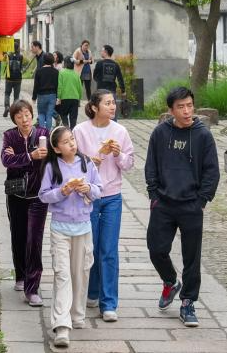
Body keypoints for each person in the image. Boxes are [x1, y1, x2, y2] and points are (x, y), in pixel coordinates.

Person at [144, 87, 219, 327]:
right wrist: (154, 195)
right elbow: (150, 165)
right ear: (171, 110)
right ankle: (170, 281)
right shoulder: (160, 133)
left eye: (189, 105)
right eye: (181, 107)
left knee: (191, 257)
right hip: (163, 203)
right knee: (156, 249)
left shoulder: (203, 135)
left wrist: (202, 200)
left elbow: (212, 171)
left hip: (191, 205)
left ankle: (188, 302)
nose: (187, 111)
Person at [39, 126, 103, 349]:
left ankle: (76, 314)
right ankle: (61, 325)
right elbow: (43, 195)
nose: (71, 144)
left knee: (81, 274)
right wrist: (62, 192)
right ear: (57, 148)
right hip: (60, 228)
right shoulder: (51, 166)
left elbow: (99, 190)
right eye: (66, 142)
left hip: (83, 228)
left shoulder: (87, 163)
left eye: (72, 139)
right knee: (63, 275)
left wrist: (87, 188)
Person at [73, 89, 134, 322]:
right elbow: (71, 162)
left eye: (113, 102)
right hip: (88, 196)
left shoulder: (120, 132)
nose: (113, 106)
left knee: (108, 250)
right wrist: (90, 162)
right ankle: (92, 291)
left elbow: (129, 164)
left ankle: (109, 303)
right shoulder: (80, 131)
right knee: (91, 248)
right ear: (94, 107)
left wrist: (118, 155)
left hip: (112, 196)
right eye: (107, 103)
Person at [0, 100, 50, 306]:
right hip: (16, 195)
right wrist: (30, 156)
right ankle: (20, 275)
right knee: (18, 236)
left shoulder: (43, 134)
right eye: (19, 116)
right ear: (14, 119)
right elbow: (6, 160)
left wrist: (20, 157)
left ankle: (32, 288)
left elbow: (49, 158)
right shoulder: (9, 136)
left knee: (34, 240)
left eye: (27, 115)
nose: (24, 119)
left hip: (38, 196)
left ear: (32, 114)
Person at [32, 52, 59, 132]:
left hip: (41, 95)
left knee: (41, 114)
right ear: (52, 61)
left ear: (44, 60)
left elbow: (36, 85)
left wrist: (34, 97)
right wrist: (58, 97)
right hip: (52, 95)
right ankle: (47, 133)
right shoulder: (56, 72)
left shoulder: (39, 71)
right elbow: (57, 85)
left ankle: (41, 133)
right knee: (49, 115)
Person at [56, 55, 83, 129]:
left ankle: (66, 129)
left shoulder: (61, 73)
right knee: (73, 118)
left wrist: (59, 97)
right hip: (75, 99)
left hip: (64, 98)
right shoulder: (76, 74)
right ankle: (73, 132)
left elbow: (60, 86)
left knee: (63, 115)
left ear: (65, 63)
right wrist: (79, 99)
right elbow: (80, 88)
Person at [3, 41, 25, 117]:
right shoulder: (21, 56)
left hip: (9, 78)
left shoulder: (8, 55)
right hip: (18, 78)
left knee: (7, 93)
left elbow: (5, 62)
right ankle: (15, 111)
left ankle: (7, 107)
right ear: (18, 48)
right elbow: (21, 66)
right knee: (16, 96)